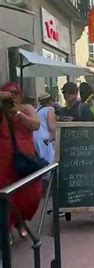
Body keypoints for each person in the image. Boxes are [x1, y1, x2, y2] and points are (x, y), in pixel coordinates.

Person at [0, 82, 42, 243]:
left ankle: (20, 221)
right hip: (4, 157)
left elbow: (36, 124)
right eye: (9, 93)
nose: (13, 96)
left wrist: (17, 113)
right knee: (7, 193)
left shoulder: (26, 108)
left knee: (31, 193)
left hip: (26, 156)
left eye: (16, 93)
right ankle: (7, 226)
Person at [33, 93, 56, 167]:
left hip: (35, 137)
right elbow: (51, 127)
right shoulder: (50, 109)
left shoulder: (36, 110)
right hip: (45, 139)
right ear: (49, 101)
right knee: (48, 161)